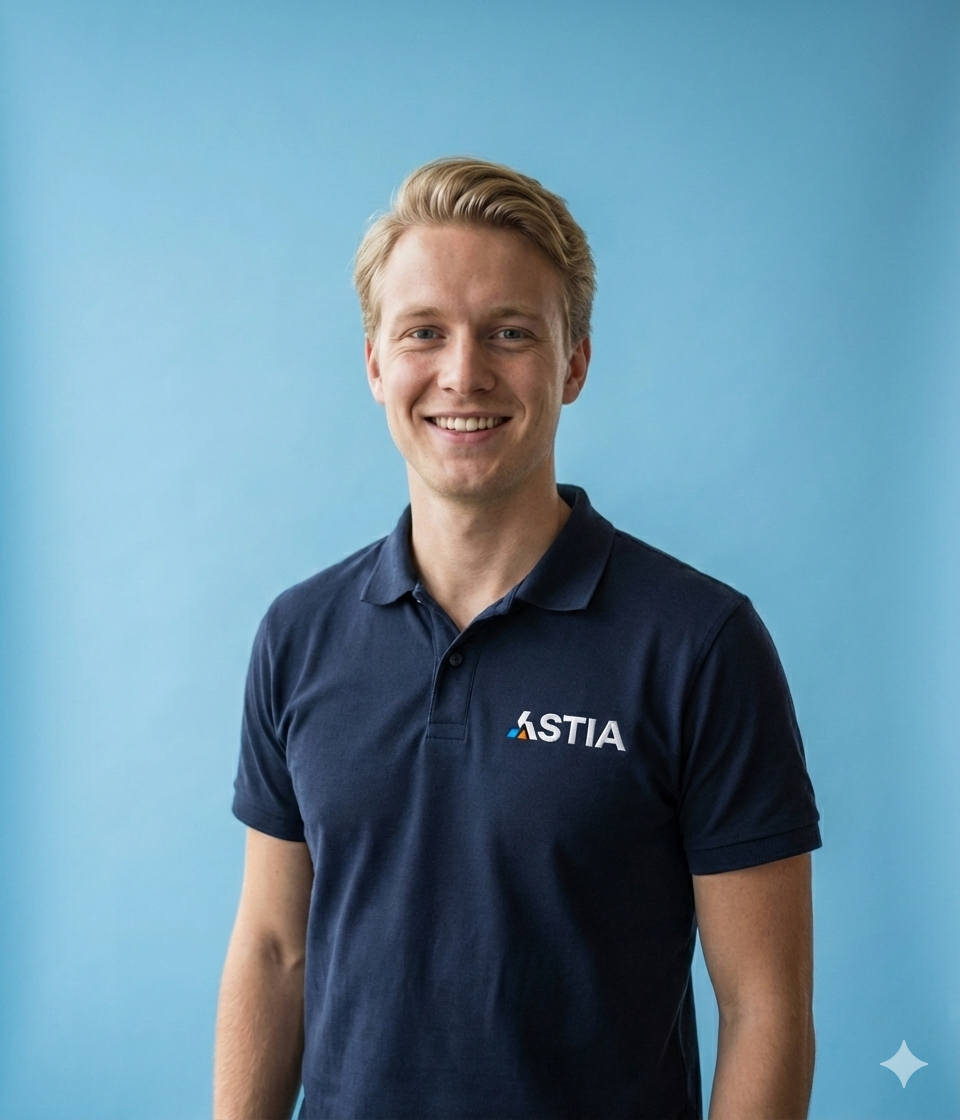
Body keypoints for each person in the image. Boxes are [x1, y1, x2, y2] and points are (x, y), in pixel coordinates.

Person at [213, 157, 821, 1120]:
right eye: (424, 332)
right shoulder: (299, 636)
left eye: (510, 332)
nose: (463, 373)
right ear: (374, 363)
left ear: (573, 364)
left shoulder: (700, 645)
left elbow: (765, 1009)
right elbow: (273, 953)